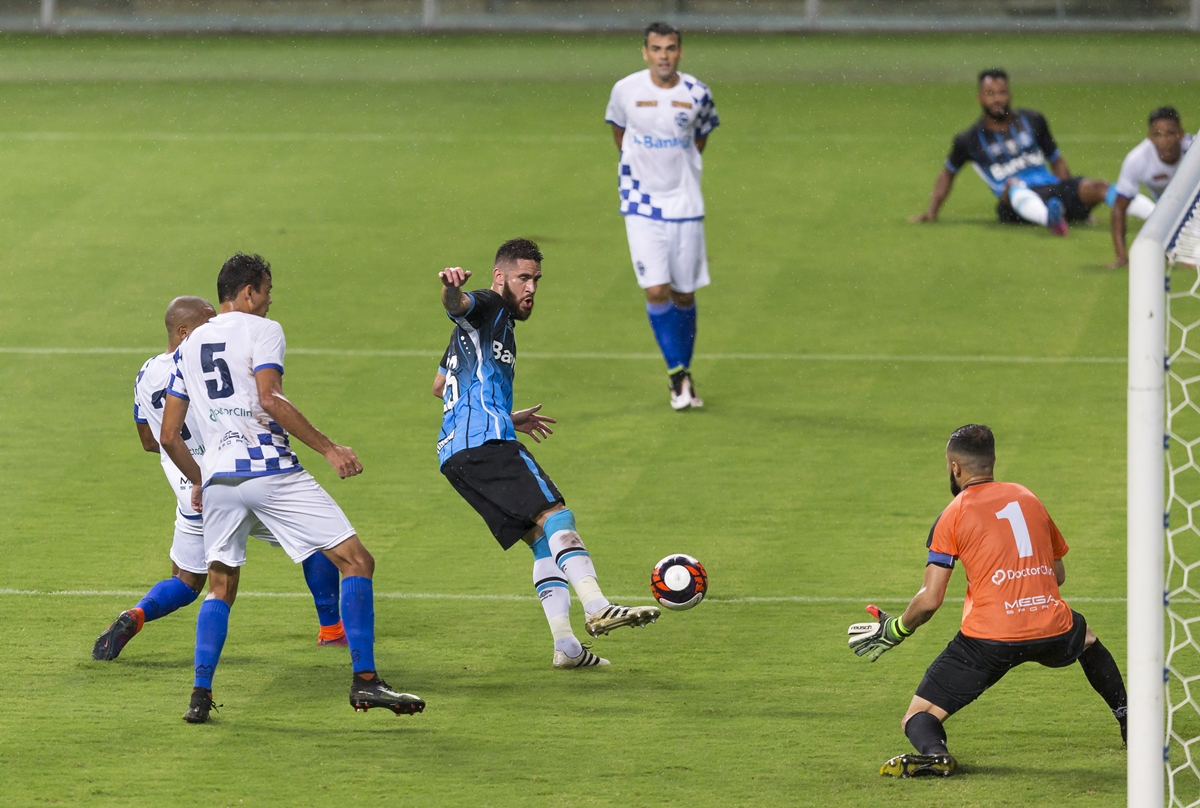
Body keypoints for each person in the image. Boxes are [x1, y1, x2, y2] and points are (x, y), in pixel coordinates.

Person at [160, 253, 423, 723]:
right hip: (269, 470)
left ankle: (200, 695)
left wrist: (199, 479)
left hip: (219, 480)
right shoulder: (263, 330)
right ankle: (365, 680)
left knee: (219, 588)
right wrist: (329, 449)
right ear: (247, 293)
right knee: (356, 561)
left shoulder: (188, 344)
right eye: (266, 291)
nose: (269, 301)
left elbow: (168, 435)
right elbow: (270, 397)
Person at [847, 424, 1127, 778]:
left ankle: (937, 754)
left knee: (918, 716)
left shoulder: (953, 513)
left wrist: (897, 629)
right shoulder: (1028, 498)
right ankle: (1130, 720)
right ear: (991, 461)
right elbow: (1057, 575)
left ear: (955, 468)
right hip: (1050, 626)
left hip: (989, 641)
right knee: (1086, 639)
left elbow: (930, 600)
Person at [436, 238, 660, 669]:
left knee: (541, 541)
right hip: (486, 443)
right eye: (523, 278)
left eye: (537, 280)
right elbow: (459, 305)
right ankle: (598, 606)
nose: (531, 288)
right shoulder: (489, 306)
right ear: (499, 277)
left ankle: (567, 648)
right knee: (556, 516)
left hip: (456, 455)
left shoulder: (486, 332)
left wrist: (504, 413)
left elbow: (438, 385)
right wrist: (451, 289)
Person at [92, 297, 347, 661]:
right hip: (236, 477)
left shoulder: (146, 373)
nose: (216, 326)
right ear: (184, 331)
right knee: (317, 542)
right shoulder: (201, 366)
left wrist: (189, 470)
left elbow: (151, 440)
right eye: (207, 320)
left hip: (190, 495)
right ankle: (332, 631)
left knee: (186, 581)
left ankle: (137, 614)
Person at [605, 21, 719, 410]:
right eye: (656, 49)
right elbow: (619, 133)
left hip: (685, 204)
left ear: (680, 52)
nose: (664, 56)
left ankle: (684, 371)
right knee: (656, 290)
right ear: (645, 52)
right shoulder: (625, 90)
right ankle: (676, 374)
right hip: (640, 203)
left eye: (670, 48)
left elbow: (700, 138)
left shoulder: (698, 93)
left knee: (684, 293)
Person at [912, 69, 1112, 237]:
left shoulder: (1033, 120)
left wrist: (1072, 196)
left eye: (1002, 92)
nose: (996, 99)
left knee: (1100, 187)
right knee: (1013, 185)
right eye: (990, 93)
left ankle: (1130, 211)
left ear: (1009, 95)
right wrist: (932, 212)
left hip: (1051, 190)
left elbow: (1056, 160)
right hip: (1012, 203)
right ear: (980, 98)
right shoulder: (968, 139)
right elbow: (947, 173)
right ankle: (1050, 219)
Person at [1108, 106, 1193, 268]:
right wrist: (1121, 257)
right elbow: (1119, 208)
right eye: (1157, 134)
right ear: (1150, 137)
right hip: (1167, 209)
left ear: (1181, 133)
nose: (1165, 141)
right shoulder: (1137, 160)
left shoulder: (1195, 152)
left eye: (1170, 133)